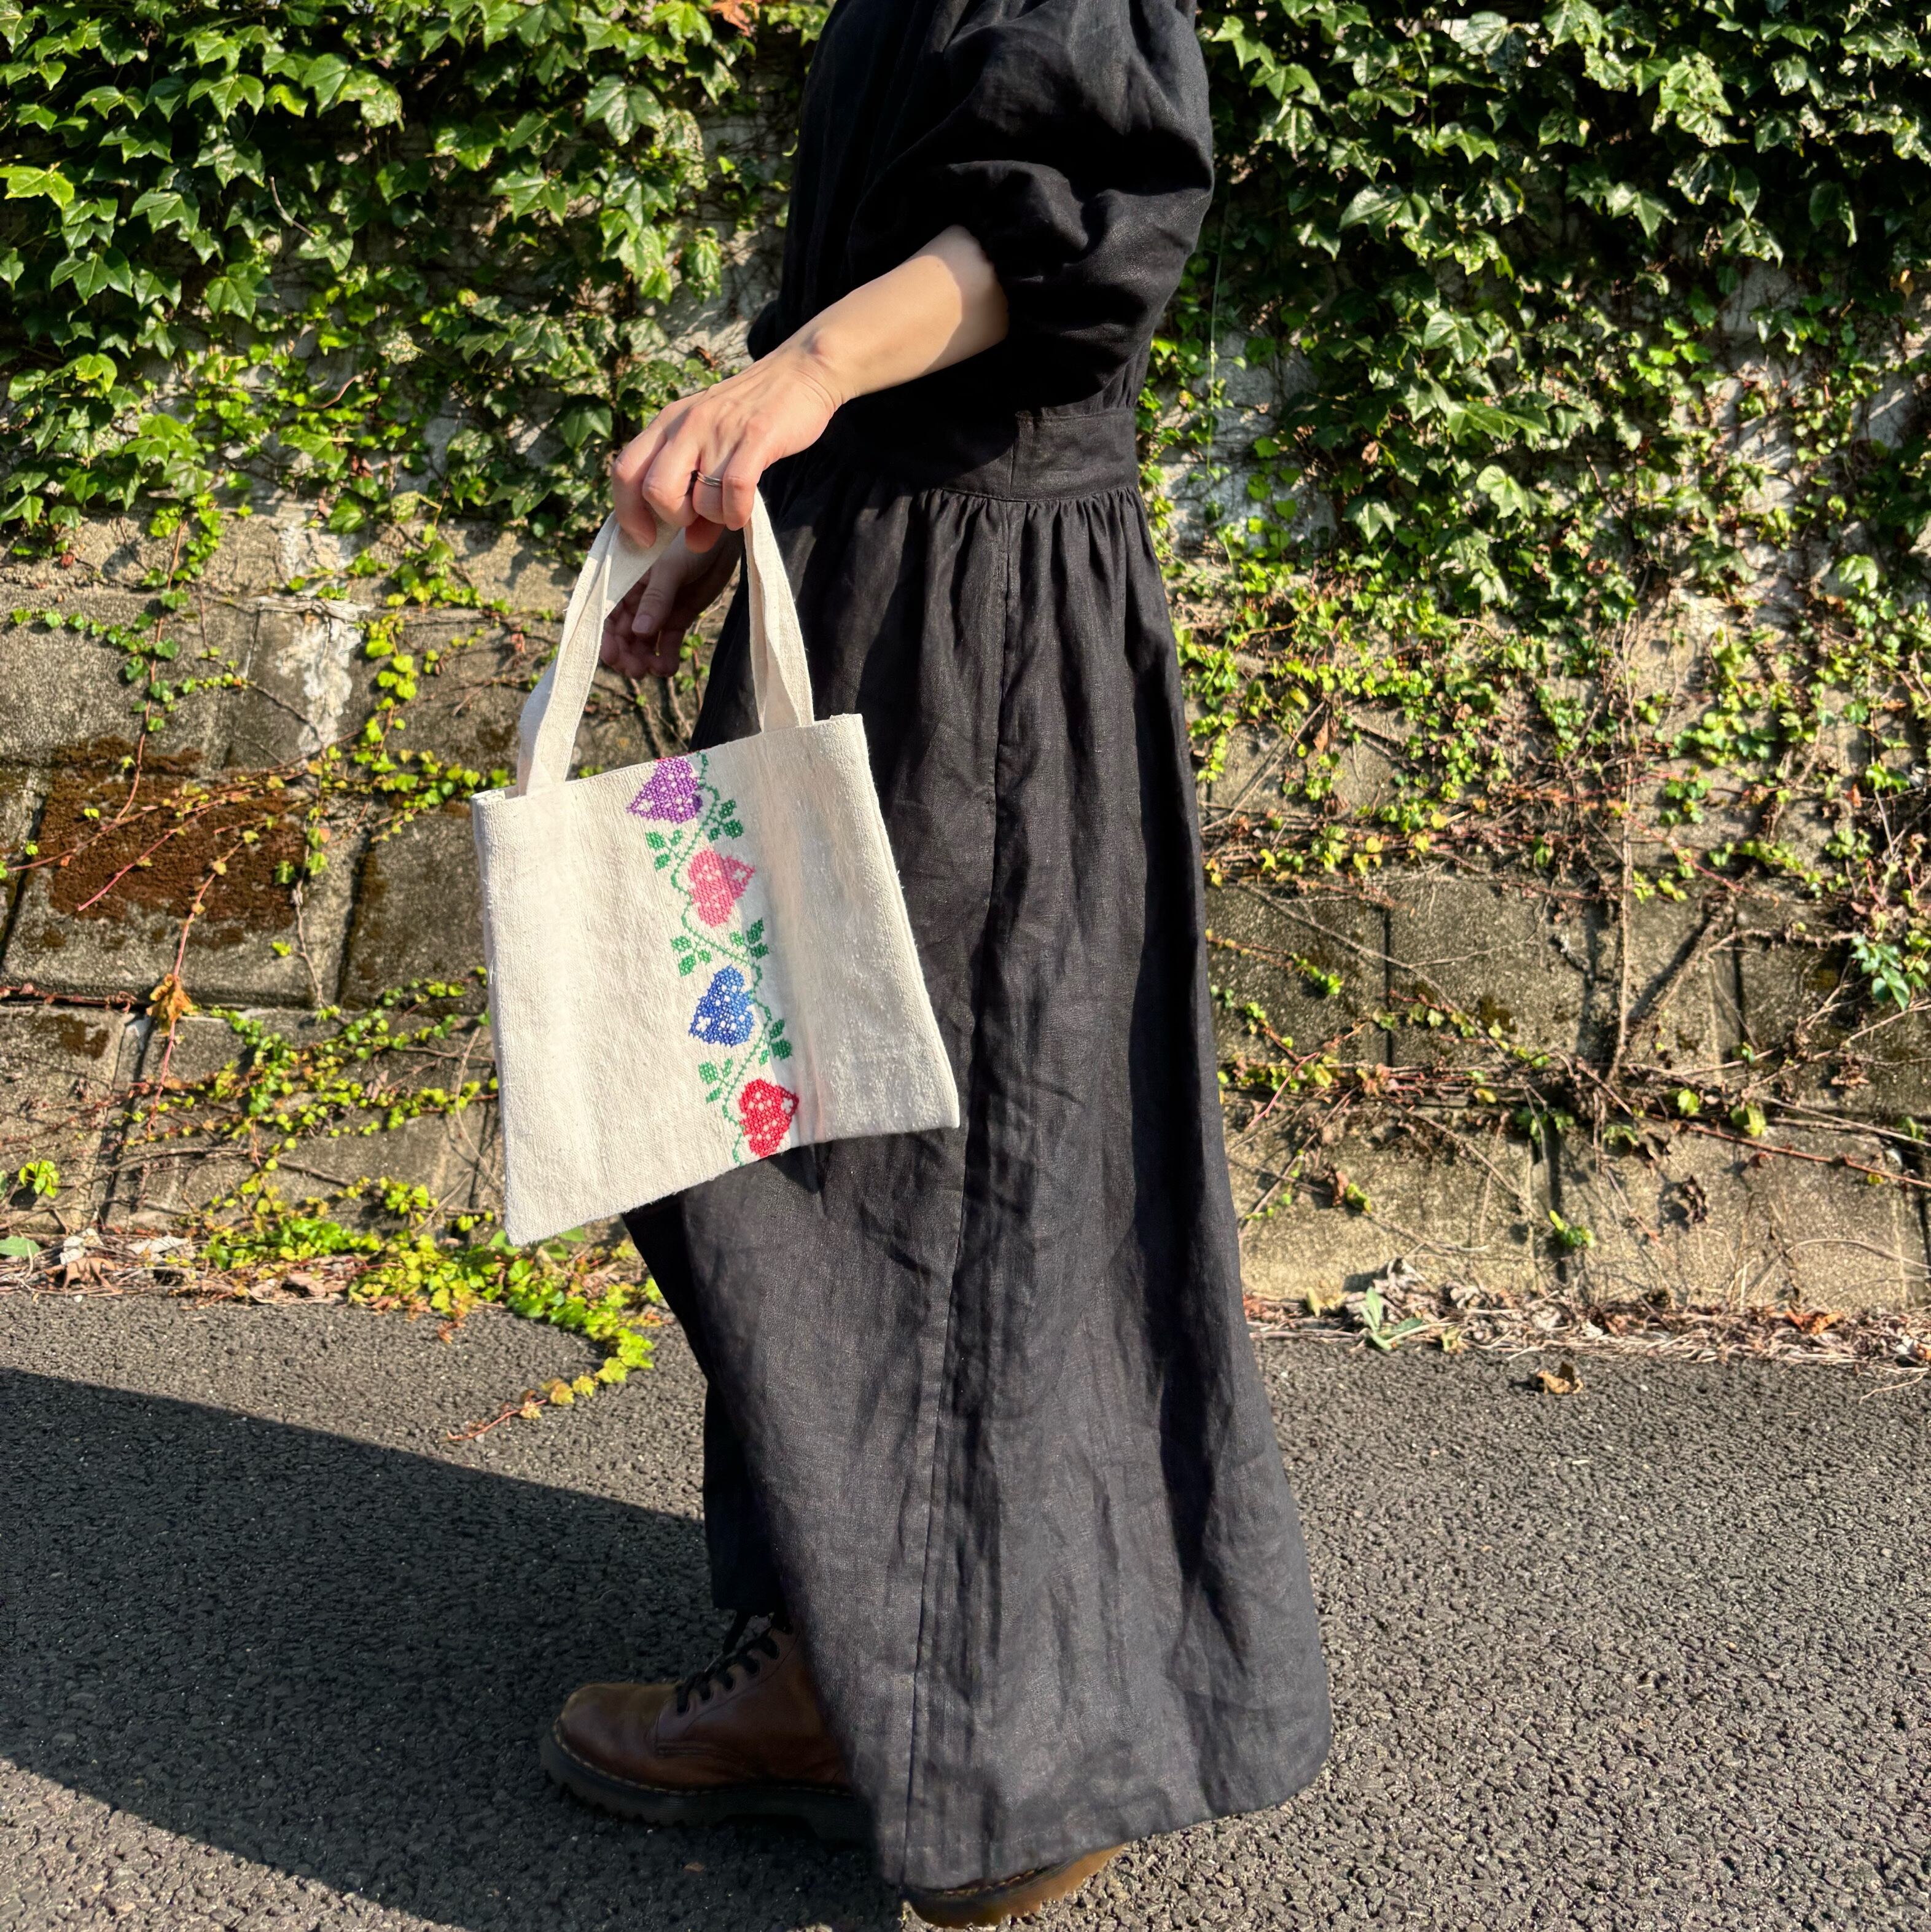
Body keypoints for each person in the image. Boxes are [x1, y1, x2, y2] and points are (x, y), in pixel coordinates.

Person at [539, 1, 1332, 1922]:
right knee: (823, 1132)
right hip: (888, 585)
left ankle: (937, 1729)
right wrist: (746, 506)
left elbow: (1086, 215)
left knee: (906, 1172)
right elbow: (911, 253)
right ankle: (859, 1663)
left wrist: (800, 376)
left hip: (975, 625)